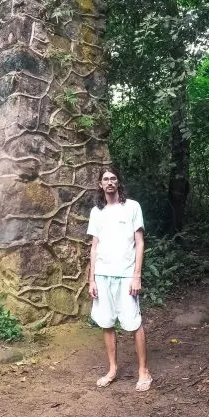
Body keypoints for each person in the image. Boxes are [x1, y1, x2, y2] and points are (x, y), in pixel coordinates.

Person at [88, 167, 152, 392]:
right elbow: (94, 247)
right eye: (105, 179)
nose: (109, 182)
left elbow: (140, 242)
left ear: (118, 182)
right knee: (106, 323)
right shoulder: (97, 211)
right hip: (102, 275)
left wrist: (137, 275)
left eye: (113, 178)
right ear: (100, 184)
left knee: (134, 322)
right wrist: (91, 279)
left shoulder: (132, 207)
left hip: (126, 275)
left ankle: (144, 371)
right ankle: (112, 369)